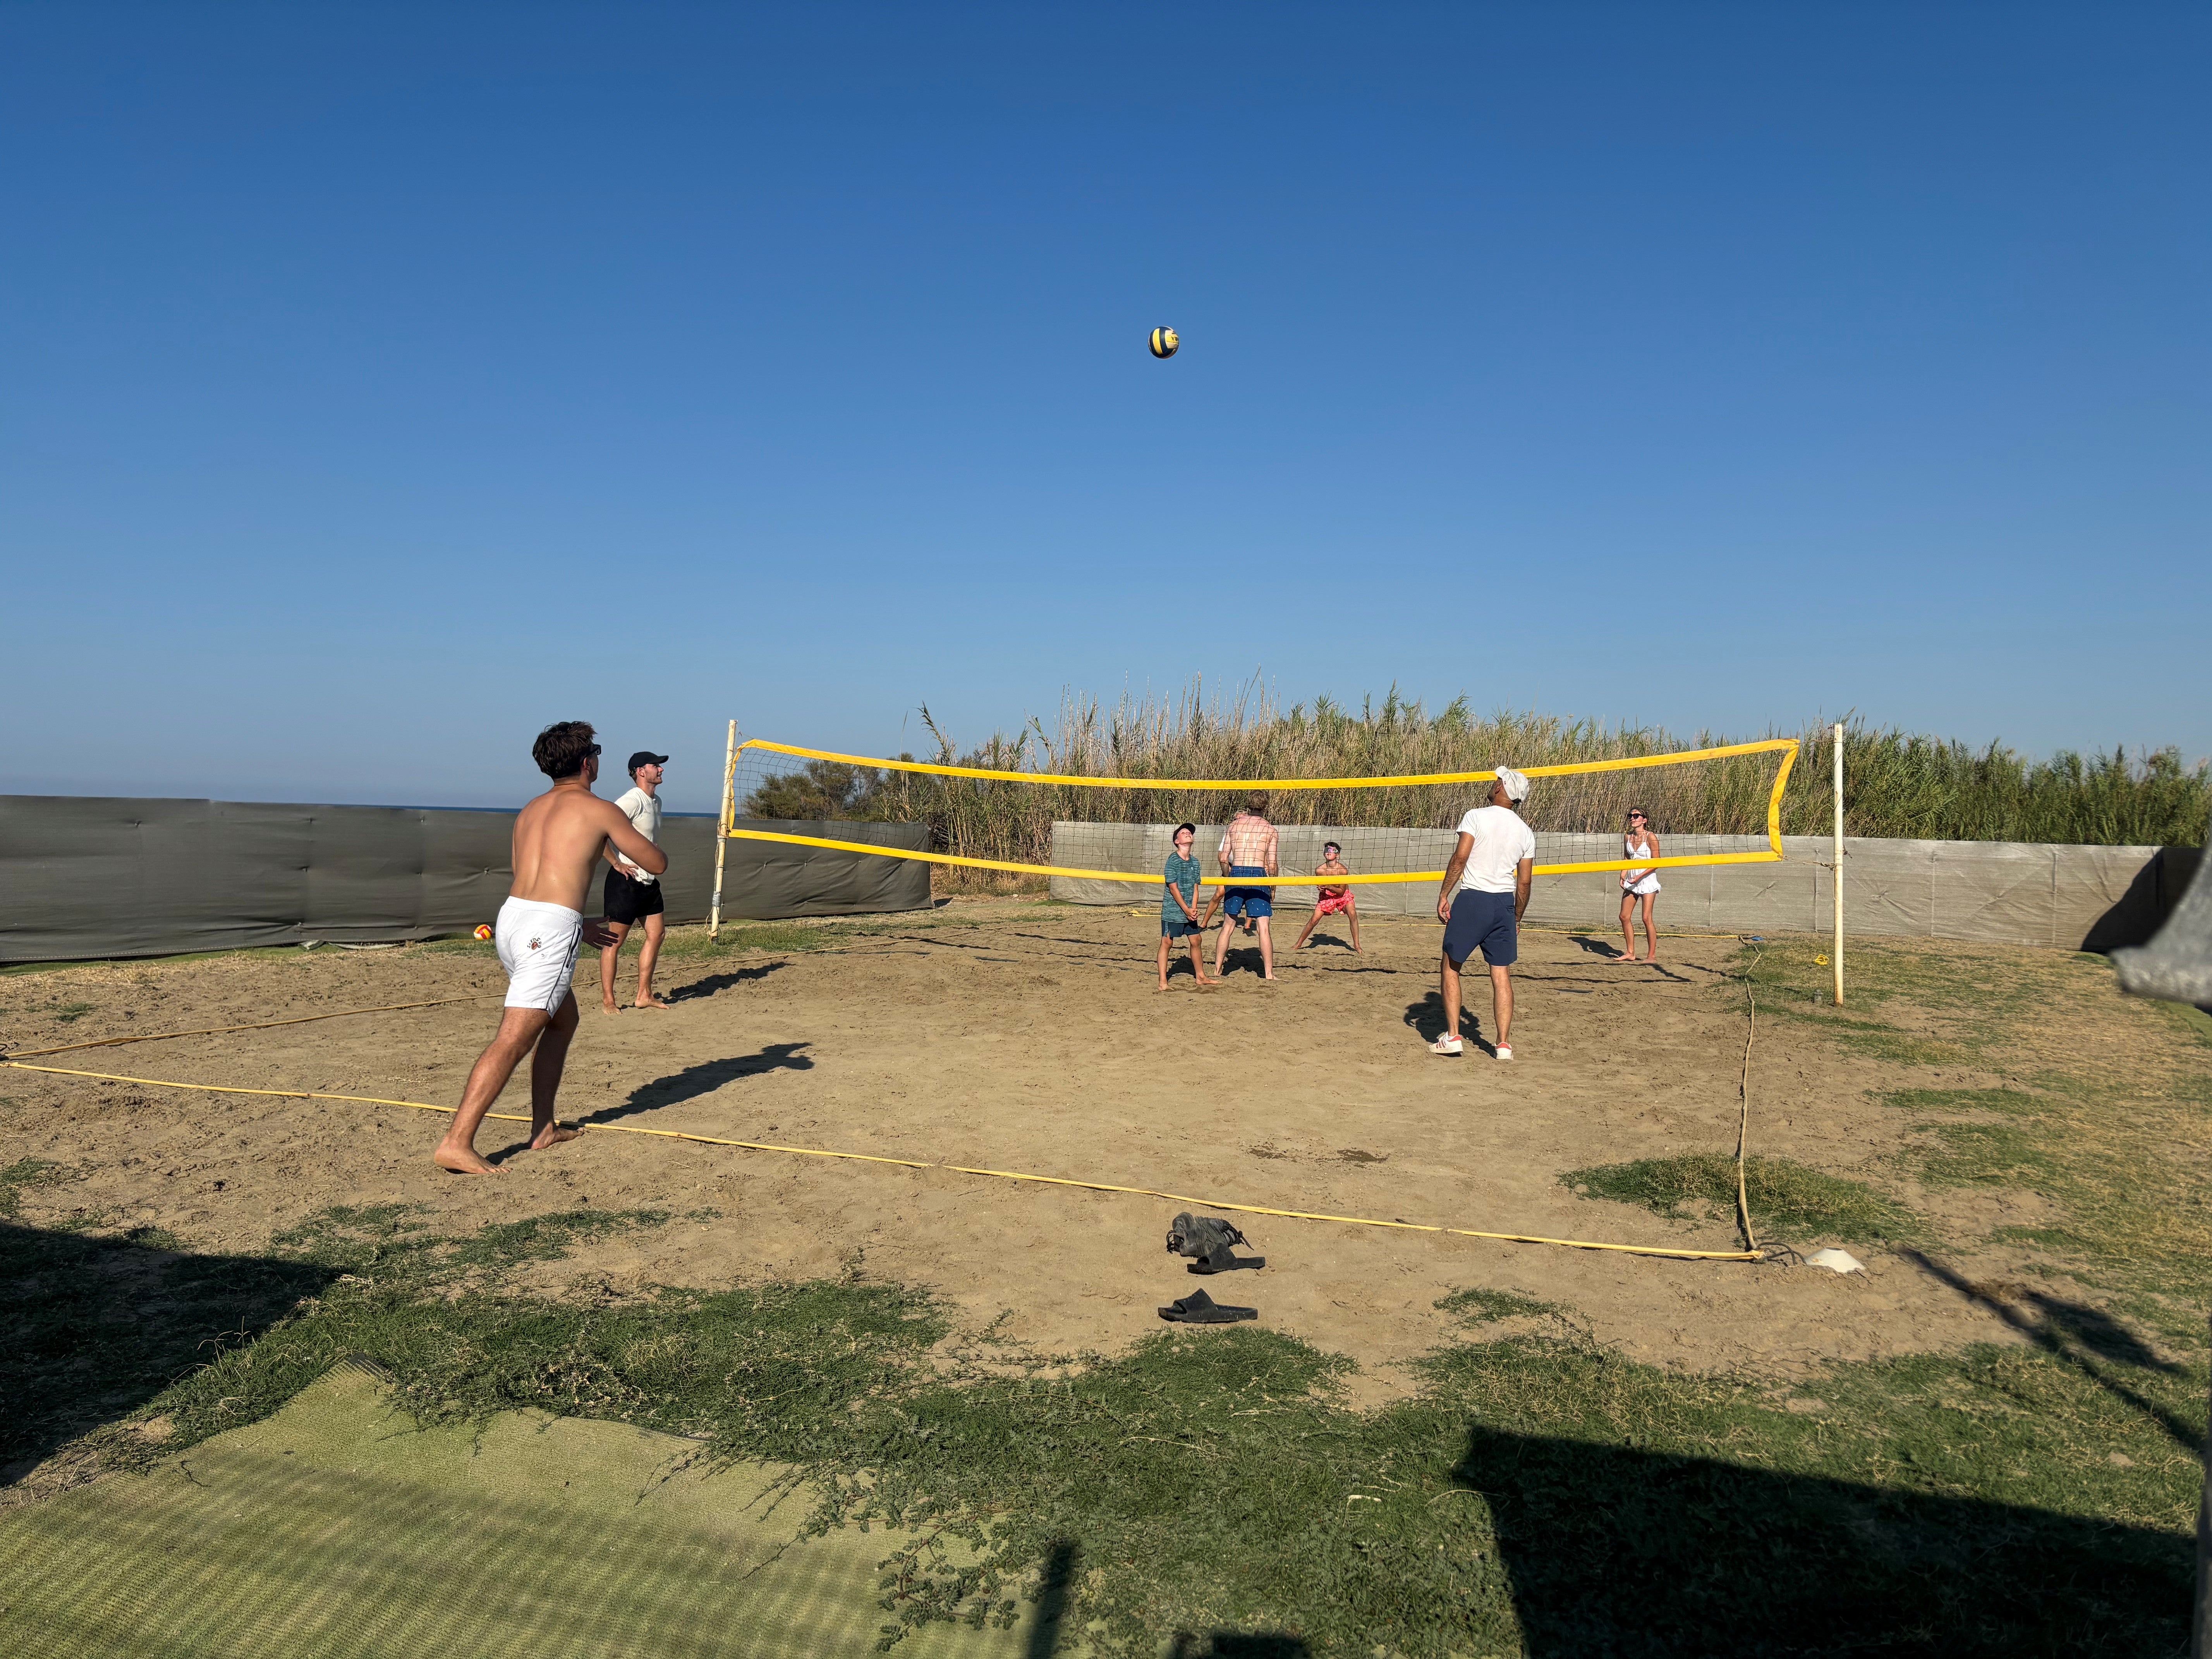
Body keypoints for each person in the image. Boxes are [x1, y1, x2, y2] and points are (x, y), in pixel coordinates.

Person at [433, 721, 667, 1175]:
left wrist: (577, 924)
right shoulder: (601, 809)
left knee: (564, 1019)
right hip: (548, 929)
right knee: (514, 1037)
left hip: (514, 920)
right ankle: (457, 1141)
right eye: (597, 752)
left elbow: (534, 879)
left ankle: (543, 1127)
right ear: (587, 762)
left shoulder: (530, 810)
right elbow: (656, 863)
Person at [1432, 767, 1535, 1061]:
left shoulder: (1476, 815)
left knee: (1451, 967)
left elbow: (1461, 857)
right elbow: (1524, 882)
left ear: (1503, 788)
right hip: (1503, 904)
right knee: (1501, 974)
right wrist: (1516, 918)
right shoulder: (1526, 831)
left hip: (1474, 900)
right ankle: (1503, 1044)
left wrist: (1444, 894)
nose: (1494, 783)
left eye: (1498, 780)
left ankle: (1453, 1036)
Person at [598, 750, 672, 1012]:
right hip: (625, 883)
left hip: (648, 882)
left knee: (658, 934)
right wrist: (616, 863)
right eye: (656, 766)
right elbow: (600, 830)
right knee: (614, 943)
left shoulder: (657, 801)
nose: (661, 770)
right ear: (641, 771)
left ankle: (644, 995)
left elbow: (647, 841)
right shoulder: (633, 800)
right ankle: (609, 1001)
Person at [1212, 792, 1281, 982]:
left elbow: (1222, 857)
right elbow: (1273, 864)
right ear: (1266, 807)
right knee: (1264, 928)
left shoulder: (1234, 826)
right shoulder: (1270, 830)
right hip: (1259, 874)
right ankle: (1269, 974)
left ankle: (1218, 970)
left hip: (1237, 873)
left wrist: (1228, 878)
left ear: (1248, 804)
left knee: (1228, 926)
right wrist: (1273, 887)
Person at [1157, 823, 1219, 990]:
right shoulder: (1173, 860)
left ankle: (1201, 977)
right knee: (1167, 943)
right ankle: (1163, 982)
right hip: (1173, 911)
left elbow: (1195, 888)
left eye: (1189, 833)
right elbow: (1173, 887)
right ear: (1177, 841)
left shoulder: (1196, 862)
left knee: (1197, 940)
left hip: (1188, 911)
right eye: (1183, 833)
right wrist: (1186, 909)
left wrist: (1193, 910)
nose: (1188, 834)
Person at [1291, 841, 1360, 953]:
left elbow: (1342, 892)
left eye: (1333, 851)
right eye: (1327, 850)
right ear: (1324, 853)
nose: (1329, 852)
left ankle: (1357, 945)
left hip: (1342, 895)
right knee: (1314, 920)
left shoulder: (1342, 870)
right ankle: (1298, 944)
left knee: (1352, 914)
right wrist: (1321, 888)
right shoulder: (1320, 870)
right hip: (1327, 896)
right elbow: (1320, 886)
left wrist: (1328, 886)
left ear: (1338, 855)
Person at [1618, 807, 1662, 963]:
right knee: (1624, 916)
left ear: (1644, 820)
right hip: (1632, 880)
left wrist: (1640, 876)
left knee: (1646, 918)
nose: (1632, 818)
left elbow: (1657, 863)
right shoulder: (1627, 836)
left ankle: (1652, 956)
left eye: (1636, 816)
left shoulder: (1651, 837)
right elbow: (1626, 858)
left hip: (1647, 880)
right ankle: (1630, 953)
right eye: (1630, 815)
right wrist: (1623, 875)